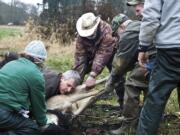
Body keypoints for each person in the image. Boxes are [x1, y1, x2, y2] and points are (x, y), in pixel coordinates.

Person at [136, 0, 180, 134]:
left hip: (170, 48)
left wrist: (143, 45)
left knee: (155, 100)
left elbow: (150, 16)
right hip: (170, 47)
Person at [73, 12, 125, 109]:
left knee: (118, 77)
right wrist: (75, 78)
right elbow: (80, 57)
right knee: (75, 76)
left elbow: (103, 53)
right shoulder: (81, 37)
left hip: (111, 53)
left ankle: (124, 105)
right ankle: (74, 102)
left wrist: (93, 75)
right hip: (91, 55)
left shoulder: (107, 31)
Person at [0, 40, 49, 134]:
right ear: (39, 60)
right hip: (2, 113)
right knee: (32, 128)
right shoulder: (36, 75)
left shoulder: (11, 63)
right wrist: (43, 123)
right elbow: (38, 104)